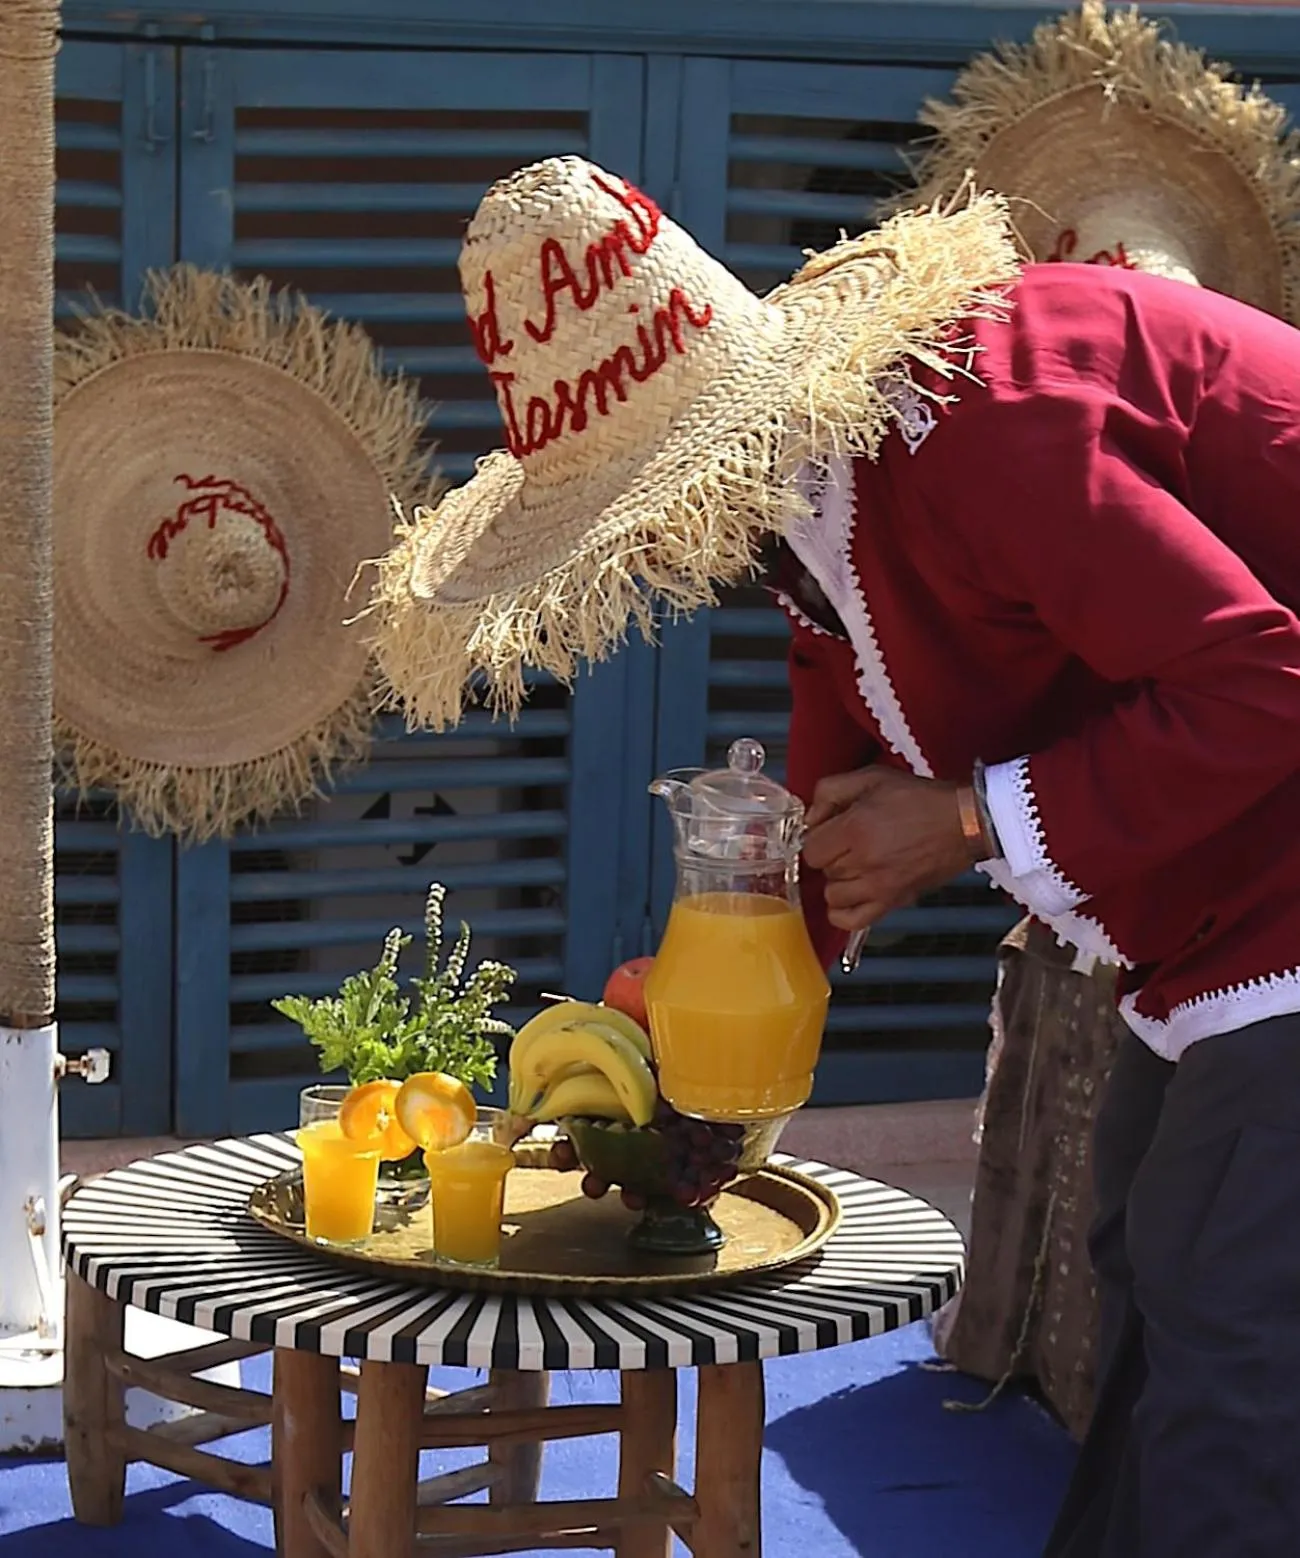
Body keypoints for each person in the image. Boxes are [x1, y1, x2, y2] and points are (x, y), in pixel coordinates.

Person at [372, 155, 1300, 1557]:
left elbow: (1263, 681)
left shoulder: (987, 427)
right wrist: (679, 1075)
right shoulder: (822, 506)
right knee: (1144, 1262)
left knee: (1233, 1322)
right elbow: (826, 805)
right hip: (1227, 862)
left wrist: (973, 819)